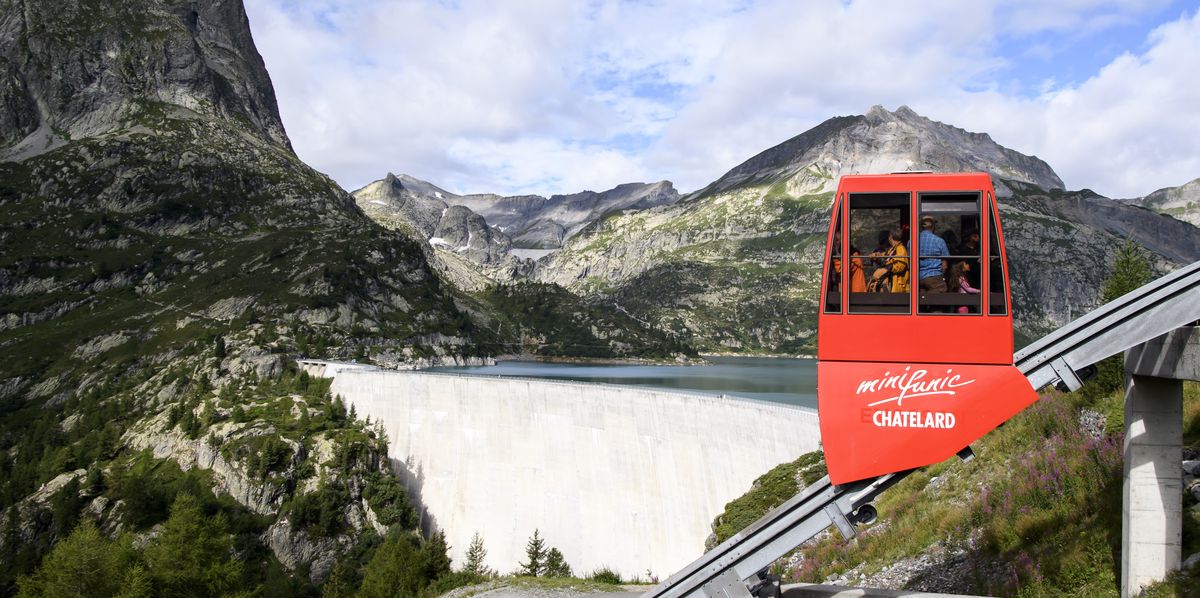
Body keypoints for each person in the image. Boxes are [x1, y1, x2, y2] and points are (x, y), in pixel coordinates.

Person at [917, 215, 949, 294]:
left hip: (917, 278)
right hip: (935, 277)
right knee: (939, 300)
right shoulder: (939, 241)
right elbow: (944, 265)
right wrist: (943, 277)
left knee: (921, 302)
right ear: (933, 226)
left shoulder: (911, 241)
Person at [872, 227, 908, 293]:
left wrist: (886, 267)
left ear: (890, 237)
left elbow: (899, 267)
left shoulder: (900, 249)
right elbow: (887, 256)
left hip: (898, 286)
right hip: (892, 283)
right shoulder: (893, 249)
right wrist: (877, 255)